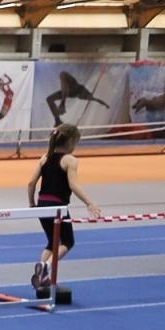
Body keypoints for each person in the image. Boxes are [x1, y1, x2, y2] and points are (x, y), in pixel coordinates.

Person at [25, 124, 102, 290]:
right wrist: (89, 203)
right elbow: (73, 185)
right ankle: (45, 267)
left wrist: (32, 203)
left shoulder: (44, 157)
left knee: (52, 243)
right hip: (58, 207)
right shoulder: (69, 160)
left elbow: (31, 183)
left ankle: (43, 275)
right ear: (71, 142)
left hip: (42, 205)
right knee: (68, 241)